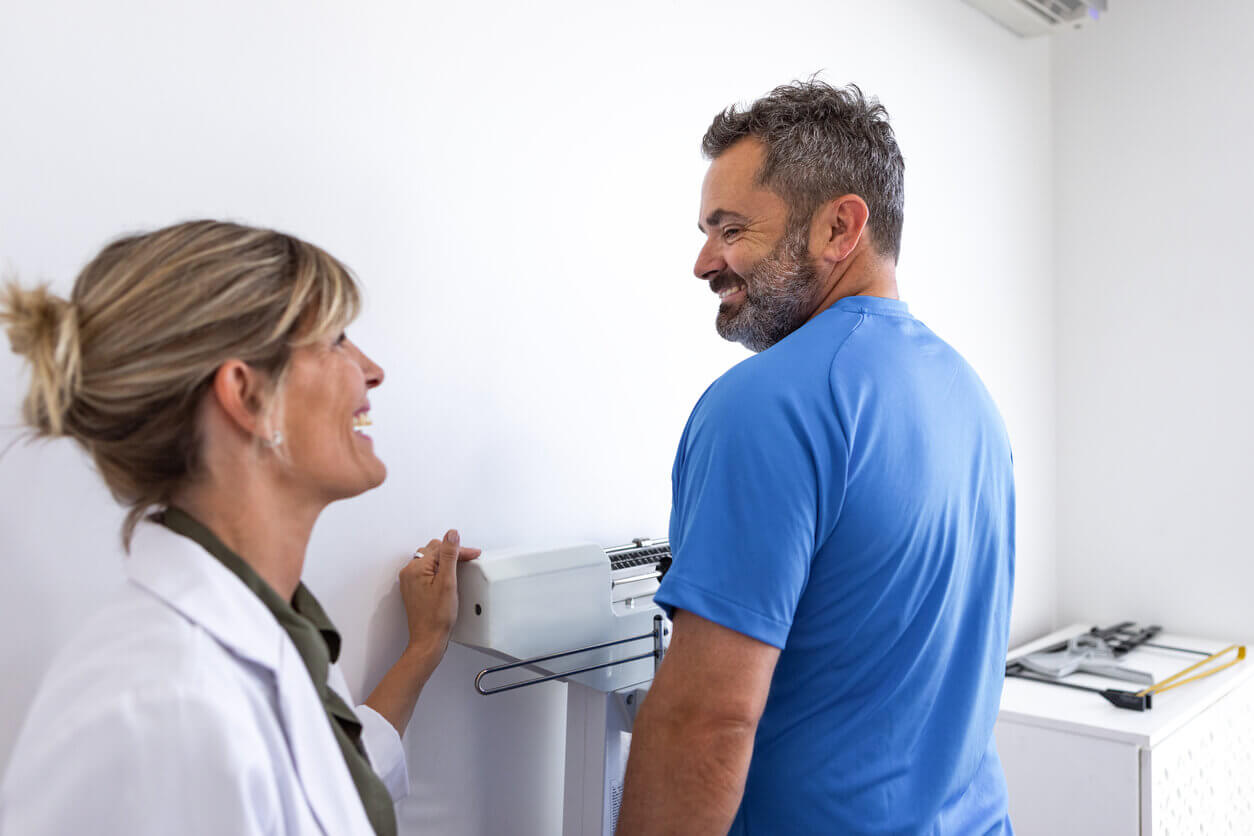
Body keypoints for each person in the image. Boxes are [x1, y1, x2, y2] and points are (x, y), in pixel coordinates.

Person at [617, 81, 1016, 835]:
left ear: (840, 227)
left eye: (731, 228)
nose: (705, 261)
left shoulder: (763, 405)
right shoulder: (970, 397)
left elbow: (708, 720)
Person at [0, 220, 479, 835]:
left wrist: (421, 648)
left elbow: (325, 786)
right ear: (248, 397)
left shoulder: (272, 632)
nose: (373, 370)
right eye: (336, 340)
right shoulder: (159, 707)